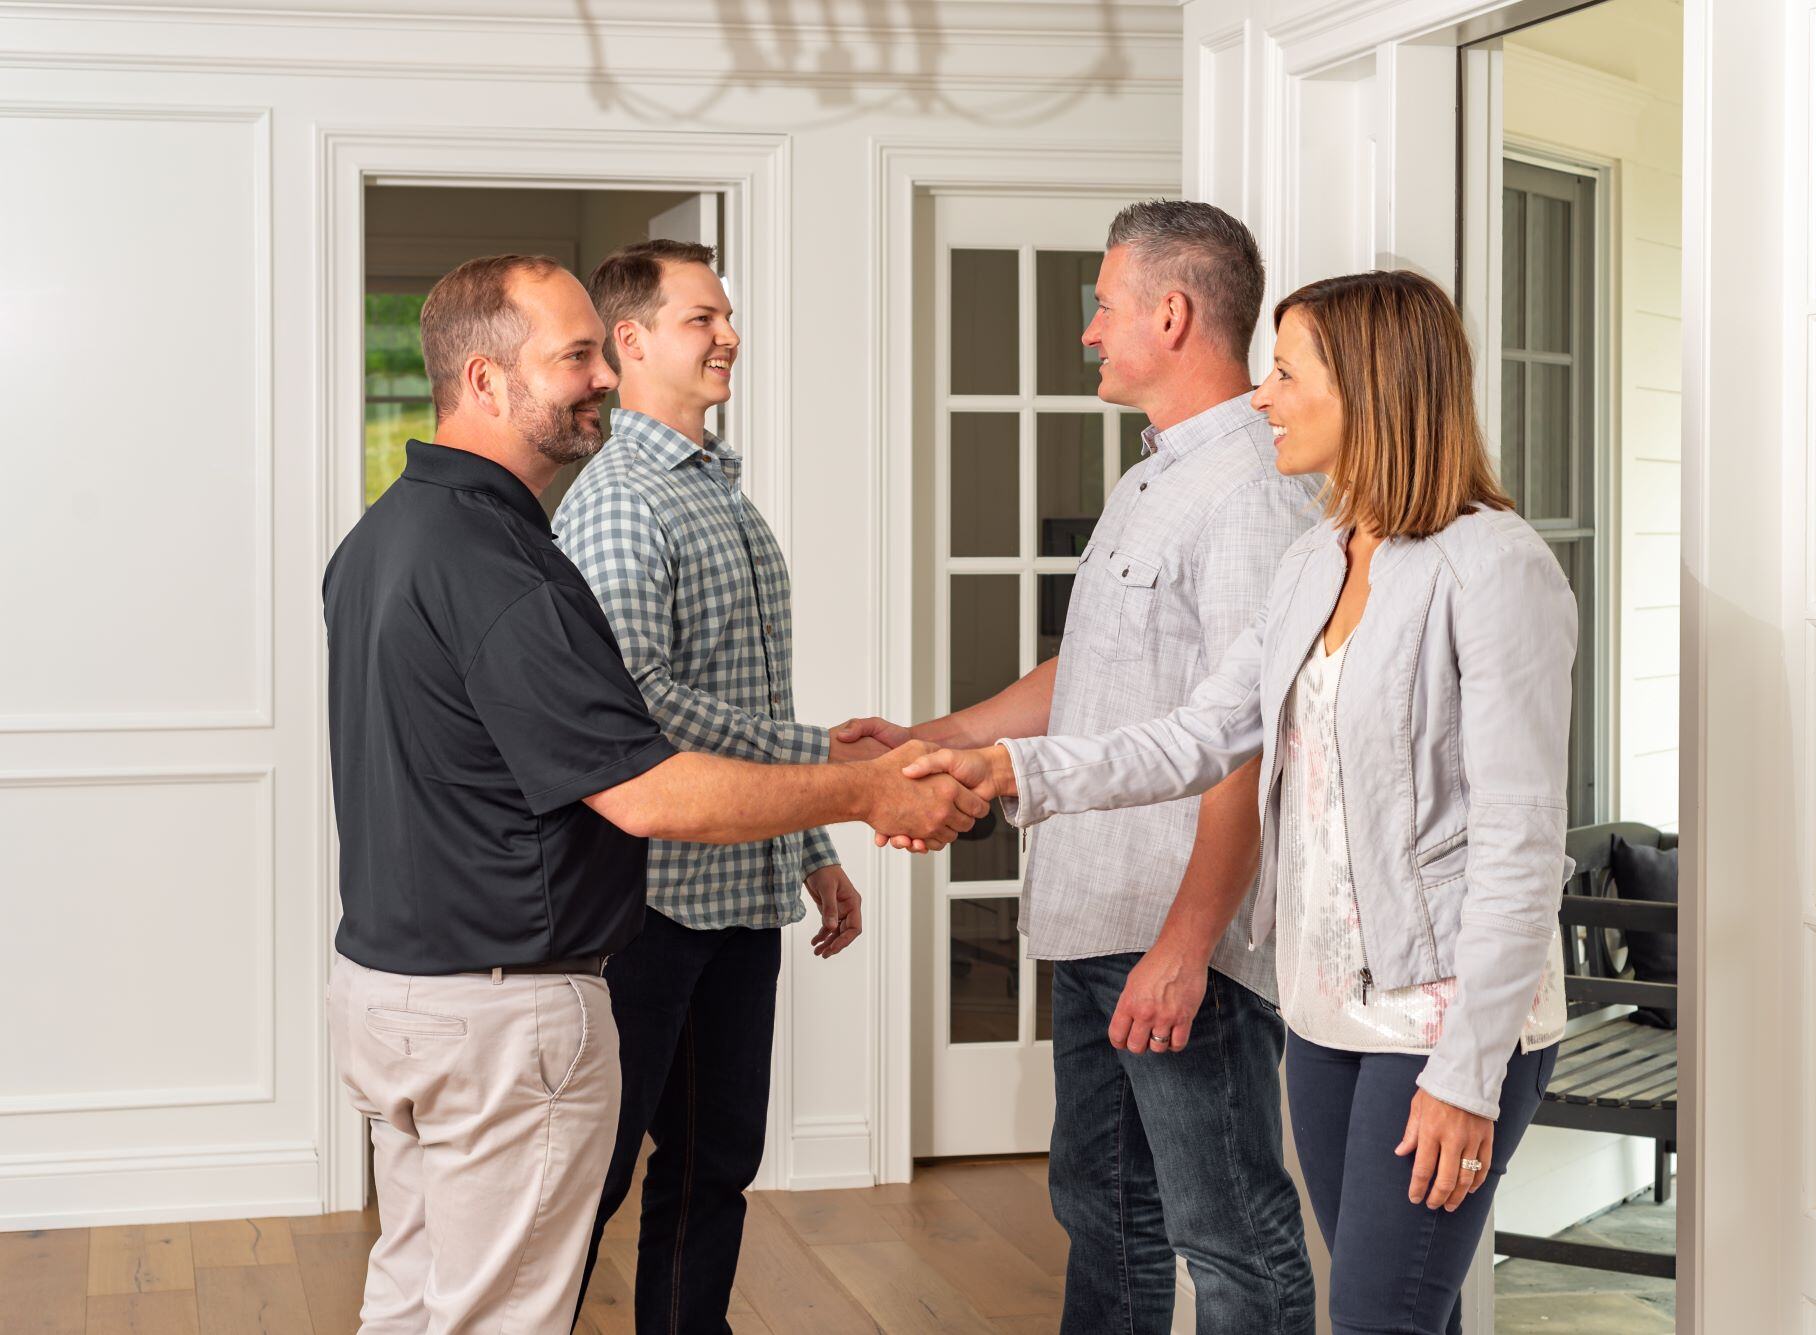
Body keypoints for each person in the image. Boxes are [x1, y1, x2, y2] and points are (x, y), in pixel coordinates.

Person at [900, 270, 1576, 1335]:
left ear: (1370, 388)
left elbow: (1518, 844)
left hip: (1443, 1014)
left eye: (1286, 371)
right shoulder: (1315, 557)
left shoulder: (1491, 567)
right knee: (1402, 1307)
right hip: (1322, 1008)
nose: (1261, 396)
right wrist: (1015, 771)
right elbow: (1198, 732)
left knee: (1374, 1317)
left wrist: (1468, 1071)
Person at [322, 254, 981, 1333]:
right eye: (574, 355)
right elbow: (644, 791)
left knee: (417, 1301)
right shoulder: (498, 560)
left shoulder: (390, 535)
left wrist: (824, 819)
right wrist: (863, 793)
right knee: (496, 1315)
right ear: (485, 381)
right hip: (501, 1005)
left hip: (398, 988)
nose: (599, 378)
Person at [838, 201, 1317, 1333]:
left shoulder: (1252, 489)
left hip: (1169, 933)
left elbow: (1244, 737)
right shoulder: (1154, 477)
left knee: (1228, 1230)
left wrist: (1188, 943)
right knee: (1104, 1212)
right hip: (1094, 915)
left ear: (1170, 310)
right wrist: (931, 740)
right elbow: (1092, 669)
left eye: (1102, 306)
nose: (1089, 332)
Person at [551, 239, 877, 1330]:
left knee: (713, 1163)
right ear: (632, 341)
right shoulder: (617, 500)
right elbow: (636, 700)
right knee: (585, 1184)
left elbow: (754, 693)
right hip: (648, 902)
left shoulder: (716, 490)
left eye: (726, 315)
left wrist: (815, 849)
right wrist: (828, 764)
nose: (727, 334)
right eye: (702, 318)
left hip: (741, 890)